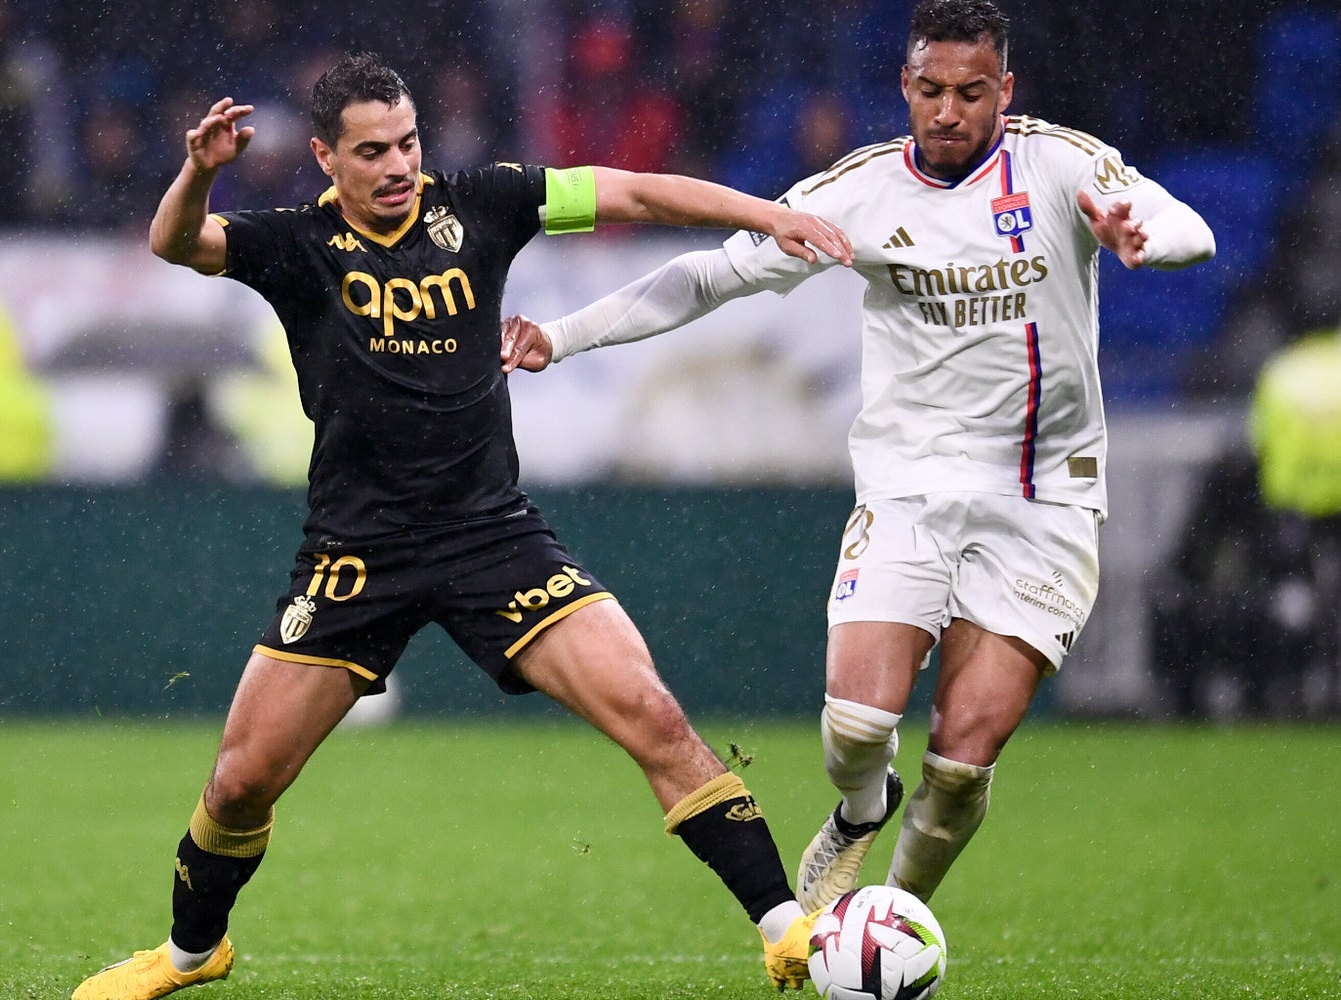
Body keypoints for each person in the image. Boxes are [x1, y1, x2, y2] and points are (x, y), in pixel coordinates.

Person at [73, 52, 855, 1000]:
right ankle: (190, 957)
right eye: (372, 152)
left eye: (408, 143)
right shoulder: (293, 242)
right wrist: (200, 168)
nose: (399, 165)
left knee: (652, 714)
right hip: (355, 553)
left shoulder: (486, 201)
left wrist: (767, 213)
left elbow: (635, 194)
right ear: (327, 157)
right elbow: (173, 243)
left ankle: (787, 931)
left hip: (494, 535)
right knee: (240, 784)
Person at [502, 0, 1215, 915]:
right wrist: (559, 338)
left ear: (1006, 89)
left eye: (970, 92)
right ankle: (861, 805)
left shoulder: (1060, 165)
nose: (949, 111)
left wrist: (1142, 240)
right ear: (904, 87)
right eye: (930, 91)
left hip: (1044, 499)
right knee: (855, 729)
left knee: (961, 761)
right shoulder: (860, 193)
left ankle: (884, 918)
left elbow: (1186, 225)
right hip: (910, 487)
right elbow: (706, 276)